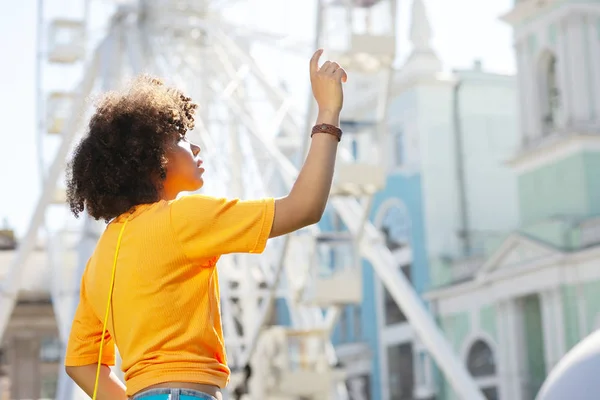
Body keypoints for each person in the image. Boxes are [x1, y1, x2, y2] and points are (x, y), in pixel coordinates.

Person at [63, 49, 347, 400]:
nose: (195, 147)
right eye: (180, 138)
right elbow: (304, 208)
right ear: (153, 158)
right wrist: (328, 114)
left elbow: (80, 363)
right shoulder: (182, 220)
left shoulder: (100, 258)